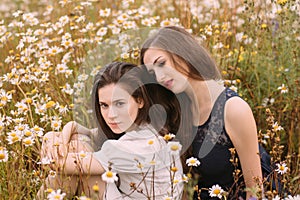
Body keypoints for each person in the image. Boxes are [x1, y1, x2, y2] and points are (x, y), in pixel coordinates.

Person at [140, 26, 262, 199]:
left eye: (161, 64)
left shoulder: (233, 109)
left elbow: (256, 191)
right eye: (153, 73)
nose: (159, 78)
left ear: (184, 53)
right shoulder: (177, 111)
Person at [38, 62, 184, 199]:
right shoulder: (146, 127)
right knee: (78, 143)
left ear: (140, 101)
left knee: (76, 168)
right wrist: (55, 137)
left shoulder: (140, 145)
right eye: (104, 105)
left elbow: (57, 163)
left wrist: (52, 144)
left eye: (119, 104)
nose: (111, 115)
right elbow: (81, 130)